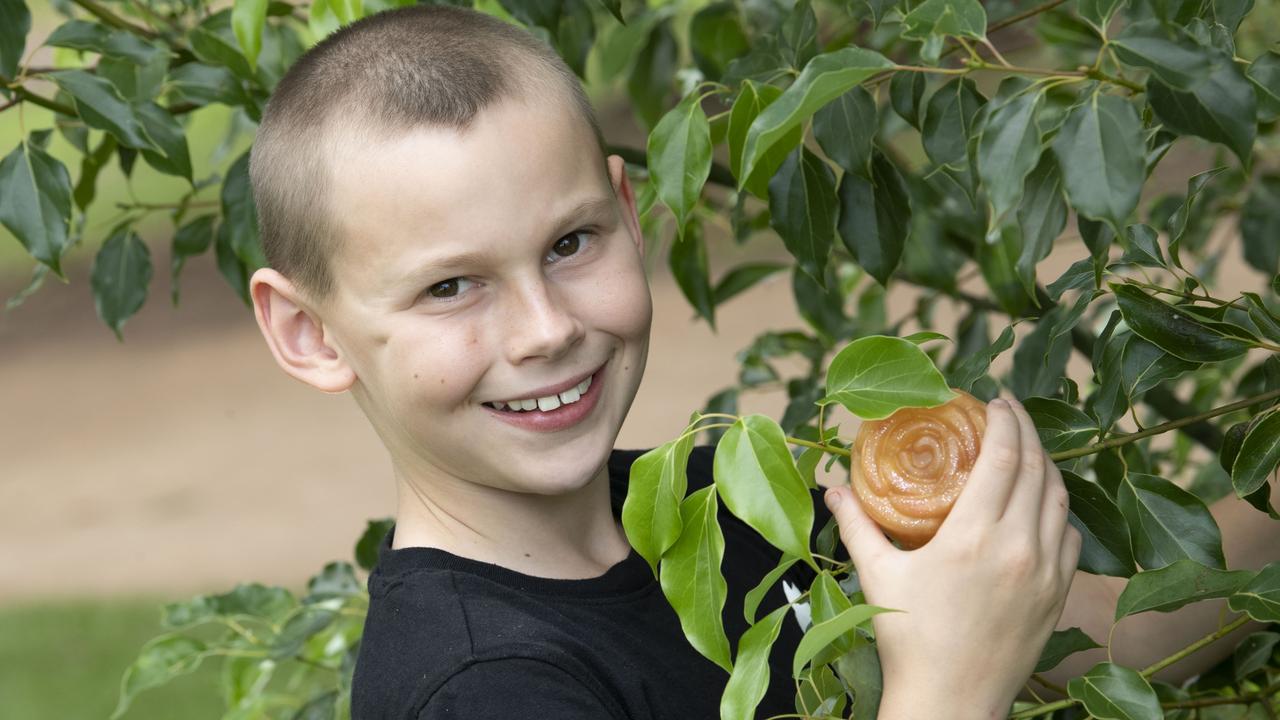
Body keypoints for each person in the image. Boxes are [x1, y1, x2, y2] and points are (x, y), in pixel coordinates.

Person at [246, 5, 1280, 719]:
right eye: (449, 287)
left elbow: (1108, 637)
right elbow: (961, 668)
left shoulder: (727, 505)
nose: (543, 330)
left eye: (570, 245)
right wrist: (948, 688)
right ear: (309, 333)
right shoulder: (480, 687)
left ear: (626, 211)